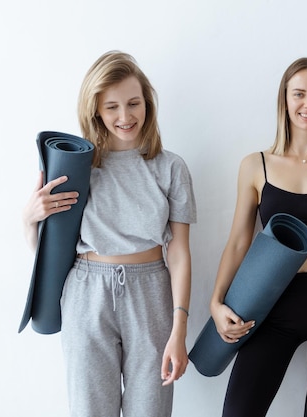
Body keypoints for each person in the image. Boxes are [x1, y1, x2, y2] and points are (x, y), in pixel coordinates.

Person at [22, 51, 196, 417]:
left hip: (152, 292)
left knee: (151, 410)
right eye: (112, 106)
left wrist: (179, 327)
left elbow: (179, 252)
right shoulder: (77, 168)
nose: (125, 116)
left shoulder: (170, 168)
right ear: (96, 110)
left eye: (134, 103)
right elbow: (50, 253)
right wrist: (28, 219)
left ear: (147, 104)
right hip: (86, 292)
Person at [209, 57, 307, 417]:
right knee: (238, 411)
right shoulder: (255, 165)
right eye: (299, 94)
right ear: (284, 99)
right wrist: (215, 303)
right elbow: (238, 242)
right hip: (271, 304)